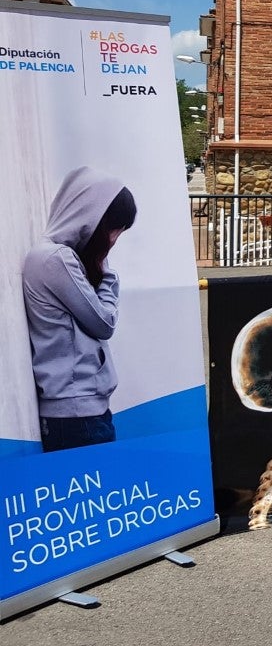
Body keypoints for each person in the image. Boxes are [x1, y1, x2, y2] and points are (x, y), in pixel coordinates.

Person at [23, 167, 136, 451]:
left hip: (77, 411)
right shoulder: (56, 259)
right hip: (76, 415)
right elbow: (104, 323)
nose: (114, 239)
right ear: (90, 216)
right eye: (114, 228)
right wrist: (108, 275)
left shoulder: (55, 256)